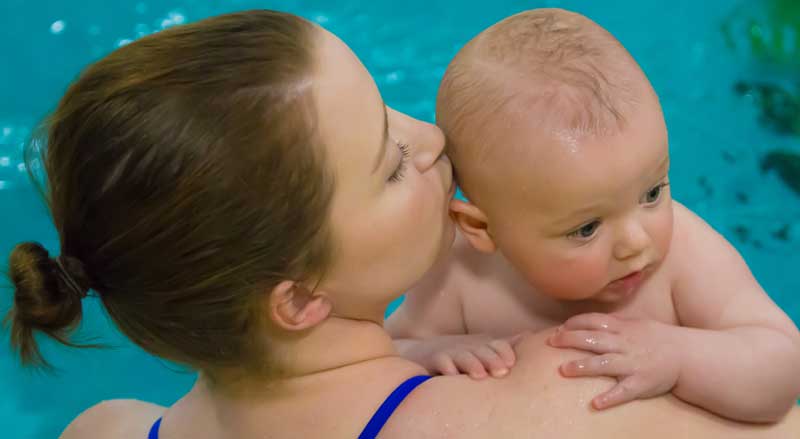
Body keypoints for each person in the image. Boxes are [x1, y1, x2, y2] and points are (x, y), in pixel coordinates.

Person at [6, 9, 800, 439]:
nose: (433, 137)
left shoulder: (103, 426)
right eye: (390, 162)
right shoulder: (570, 392)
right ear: (300, 298)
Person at [387, 8, 800, 423]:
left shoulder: (685, 256)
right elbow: (383, 356)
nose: (637, 240)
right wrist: (427, 354)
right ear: (480, 227)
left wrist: (679, 355)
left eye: (652, 192)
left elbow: (782, 366)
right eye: (587, 228)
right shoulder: (461, 276)